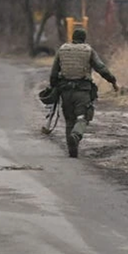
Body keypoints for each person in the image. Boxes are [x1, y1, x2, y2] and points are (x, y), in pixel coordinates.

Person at [49, 27, 118, 158]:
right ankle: (76, 135)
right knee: (82, 117)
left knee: (69, 120)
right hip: (82, 91)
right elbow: (101, 68)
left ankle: (72, 151)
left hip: (65, 91)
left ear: (73, 37)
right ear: (84, 38)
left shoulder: (62, 50)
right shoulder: (88, 51)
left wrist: (53, 87)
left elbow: (53, 73)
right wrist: (112, 80)